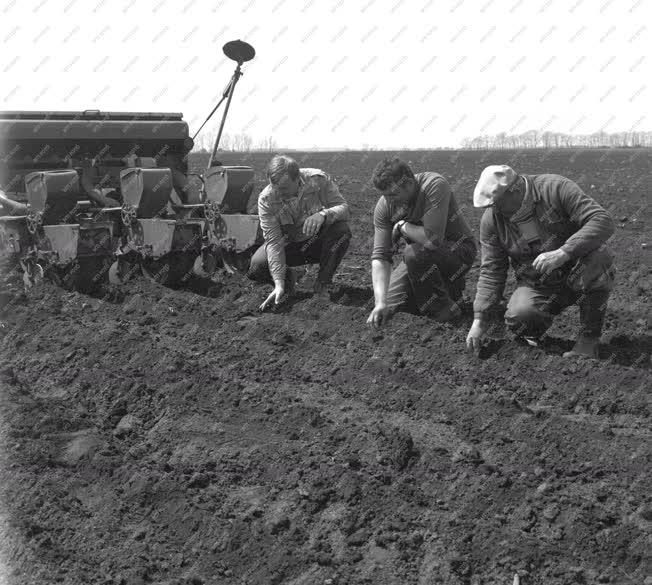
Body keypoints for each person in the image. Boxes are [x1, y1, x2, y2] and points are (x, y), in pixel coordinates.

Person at [466, 165, 615, 359]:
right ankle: (534, 340)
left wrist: (564, 252)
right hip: (539, 284)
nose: (495, 210)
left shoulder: (555, 189)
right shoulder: (492, 221)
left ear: (516, 189)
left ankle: (588, 341)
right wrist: (480, 320)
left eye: (498, 203)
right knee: (520, 315)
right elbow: (491, 270)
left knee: (599, 256)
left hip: (579, 271)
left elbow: (602, 220)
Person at [367, 158, 477, 327]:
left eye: (393, 194)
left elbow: (432, 241)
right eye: (384, 195)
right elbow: (380, 257)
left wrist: (403, 226)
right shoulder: (385, 206)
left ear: (409, 183)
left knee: (414, 253)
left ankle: (444, 310)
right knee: (392, 307)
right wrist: (380, 303)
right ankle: (449, 290)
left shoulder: (434, 185)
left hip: (458, 251)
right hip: (420, 257)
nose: (388, 201)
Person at [247, 155, 352, 311]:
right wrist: (278, 282)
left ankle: (322, 286)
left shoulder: (317, 180)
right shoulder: (267, 199)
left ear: (297, 179)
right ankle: (288, 282)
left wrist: (323, 215)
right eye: (275, 187)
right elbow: (274, 242)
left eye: (284, 188)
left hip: (318, 241)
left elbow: (345, 209)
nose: (279, 192)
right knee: (257, 266)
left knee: (341, 231)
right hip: (289, 244)